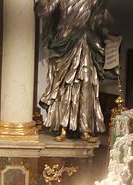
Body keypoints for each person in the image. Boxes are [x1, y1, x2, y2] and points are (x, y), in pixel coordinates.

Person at [36, 0, 115, 143]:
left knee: (86, 85)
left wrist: (100, 15)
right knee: (64, 87)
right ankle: (62, 128)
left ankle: (85, 129)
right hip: (65, 41)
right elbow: (45, 12)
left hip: (85, 42)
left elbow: (104, 21)